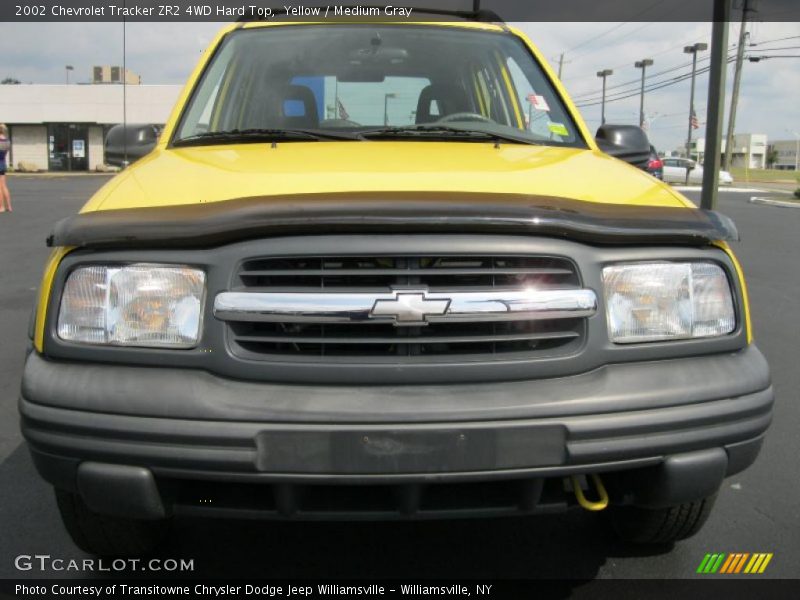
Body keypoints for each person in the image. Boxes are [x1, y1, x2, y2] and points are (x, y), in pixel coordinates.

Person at [0, 124, 11, 212]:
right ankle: (9, 206)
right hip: (3, 163)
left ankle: (2, 207)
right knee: (4, 186)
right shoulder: (7, 141)